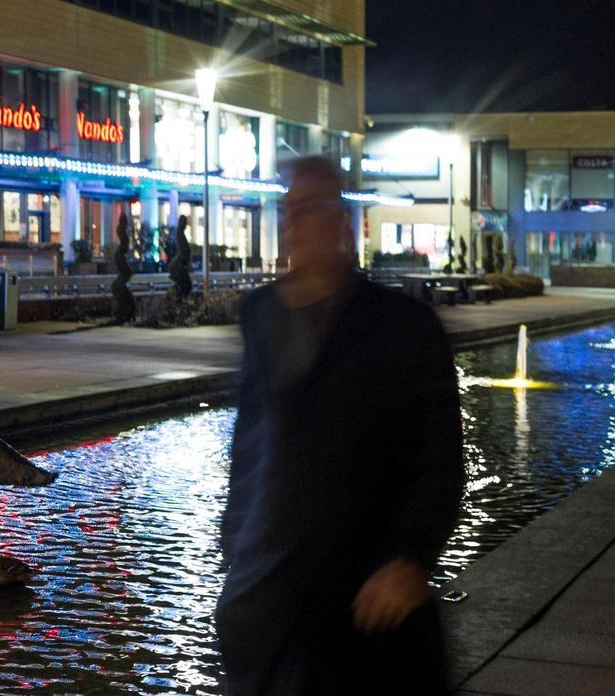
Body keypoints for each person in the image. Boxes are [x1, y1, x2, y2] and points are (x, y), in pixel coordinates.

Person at [217, 156, 464, 695]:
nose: (293, 221)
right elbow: (252, 439)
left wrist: (411, 558)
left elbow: (439, 454)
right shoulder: (260, 313)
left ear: (340, 222)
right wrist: (235, 542)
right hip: (271, 597)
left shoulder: (401, 326)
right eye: (289, 208)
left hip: (365, 596)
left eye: (307, 208)